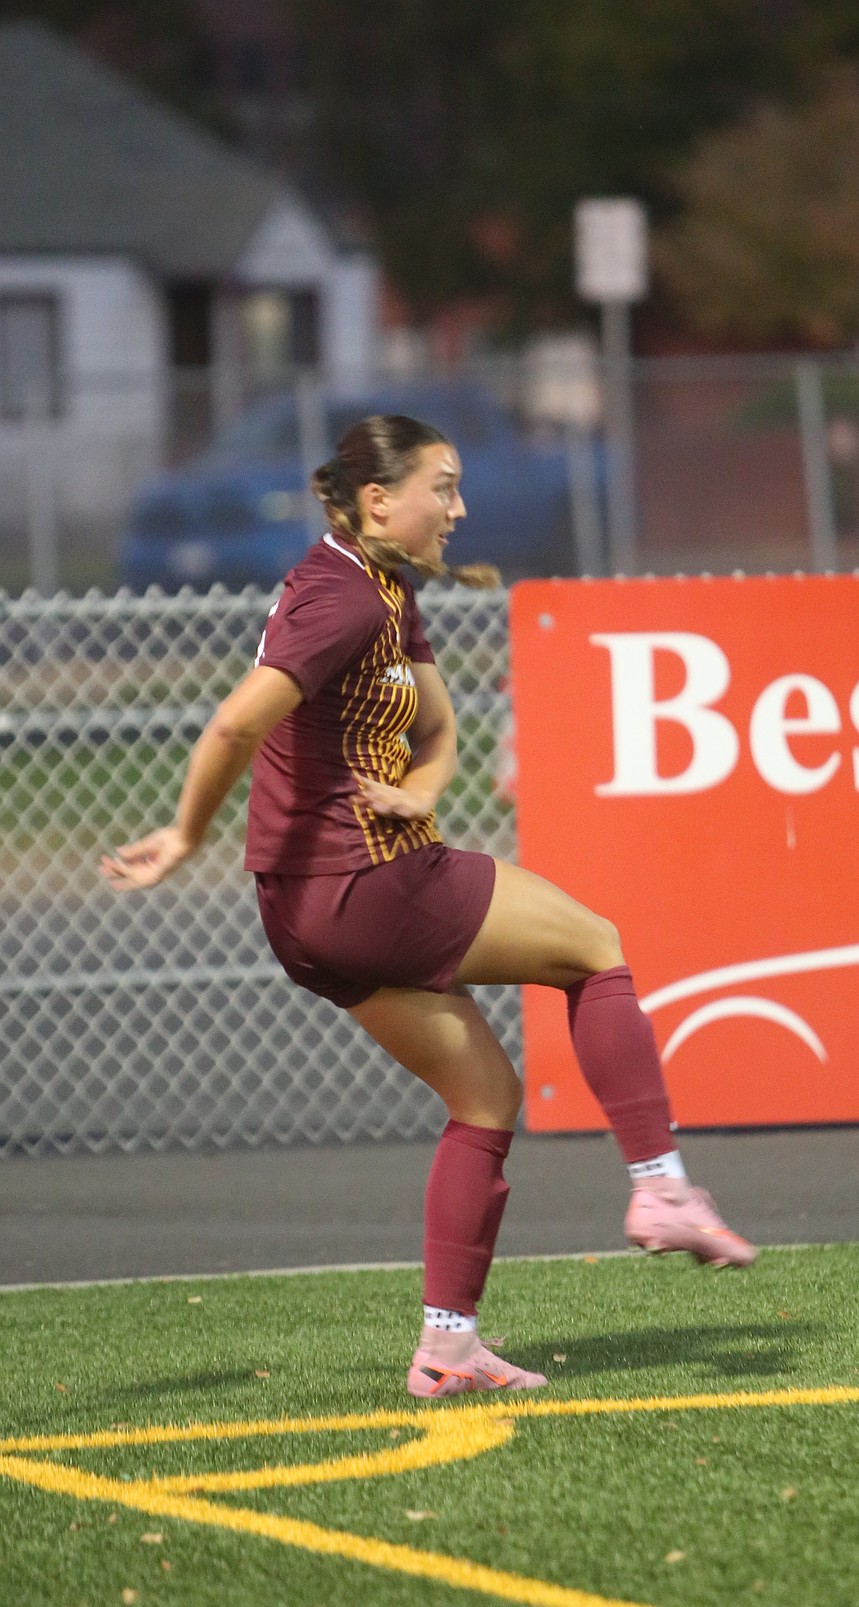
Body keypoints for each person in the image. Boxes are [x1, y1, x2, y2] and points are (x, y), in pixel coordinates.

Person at [101, 414, 756, 1400]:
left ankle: (448, 1346)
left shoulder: (382, 586)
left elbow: (440, 729)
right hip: (360, 881)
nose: (460, 506)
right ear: (378, 501)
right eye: (441, 488)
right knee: (597, 944)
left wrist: (423, 786)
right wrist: (186, 834)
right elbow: (238, 718)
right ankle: (661, 1185)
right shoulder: (343, 599)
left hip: (306, 913)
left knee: (486, 1097)